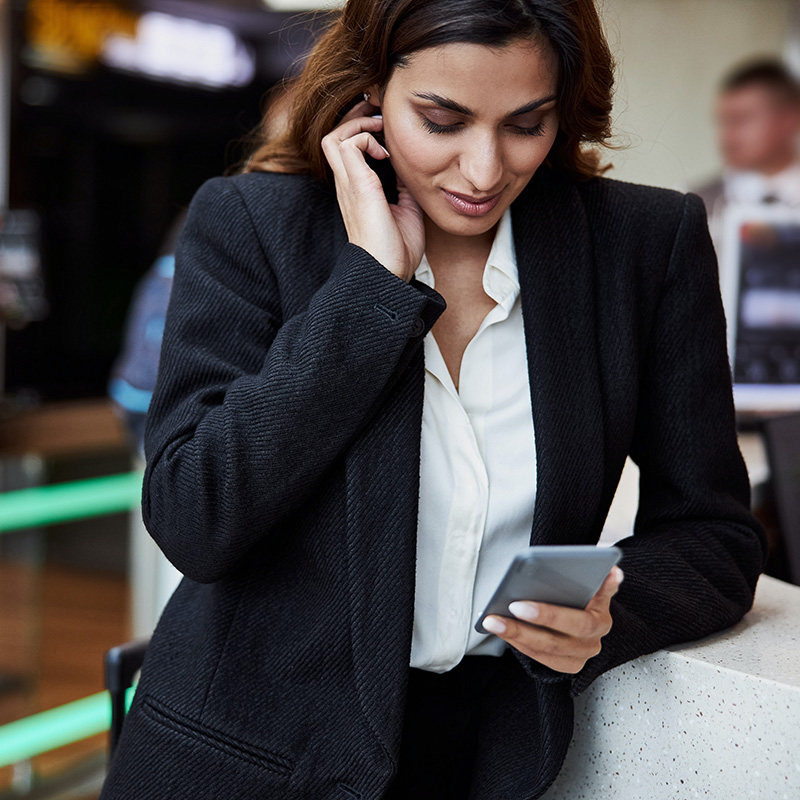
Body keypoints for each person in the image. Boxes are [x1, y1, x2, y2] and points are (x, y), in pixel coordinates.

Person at [100, 2, 767, 798]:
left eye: (527, 123)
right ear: (370, 92)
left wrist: (610, 614)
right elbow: (193, 515)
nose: (483, 170)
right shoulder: (251, 224)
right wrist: (369, 291)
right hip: (245, 760)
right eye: (441, 120)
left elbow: (715, 537)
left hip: (486, 762)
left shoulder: (642, 246)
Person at [694, 59, 800, 273]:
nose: (727, 136)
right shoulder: (696, 203)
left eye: (742, 119)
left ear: (790, 119)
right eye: (723, 121)